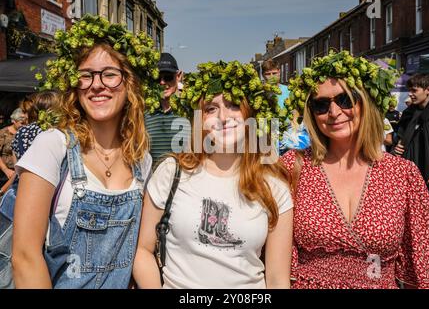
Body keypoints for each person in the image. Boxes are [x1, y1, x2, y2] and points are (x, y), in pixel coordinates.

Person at [11, 15, 159, 289]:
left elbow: (141, 253)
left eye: (110, 74)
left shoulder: (142, 160)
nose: (97, 84)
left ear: (130, 84)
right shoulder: (53, 146)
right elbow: (25, 257)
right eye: (86, 75)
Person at [283, 50, 429, 289]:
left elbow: (422, 267)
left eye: (345, 100)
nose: (334, 112)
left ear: (365, 102)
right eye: (321, 104)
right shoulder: (292, 167)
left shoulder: (402, 174)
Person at [133, 61, 293, 289]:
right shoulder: (172, 172)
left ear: (251, 114)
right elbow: (143, 251)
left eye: (234, 105)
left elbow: (278, 279)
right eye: (211, 108)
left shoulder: (273, 185)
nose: (224, 117)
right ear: (199, 120)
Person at [393, 74, 429, 262]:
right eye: (410, 90)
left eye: (414, 90)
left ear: (428, 90)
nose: (411, 94)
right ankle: (413, 266)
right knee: (410, 226)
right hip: (409, 179)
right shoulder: (408, 114)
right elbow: (398, 138)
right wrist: (397, 146)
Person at [144, 52, 190, 168]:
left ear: (179, 76)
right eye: (157, 78)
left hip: (183, 183)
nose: (162, 82)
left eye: (168, 77)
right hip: (152, 183)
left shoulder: (190, 111)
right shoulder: (145, 113)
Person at [0, 108, 26, 191]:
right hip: (5, 174)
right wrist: (6, 170)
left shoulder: (25, 132)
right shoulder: (3, 133)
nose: (24, 125)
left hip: (20, 171)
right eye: (21, 123)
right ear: (14, 121)